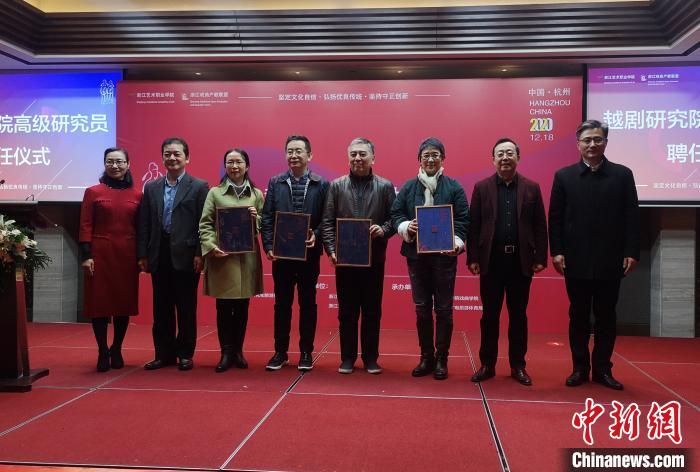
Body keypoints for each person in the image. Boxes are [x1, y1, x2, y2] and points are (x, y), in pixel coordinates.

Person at [549, 120, 640, 391]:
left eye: (597, 139)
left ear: (606, 143)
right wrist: (557, 251)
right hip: (575, 260)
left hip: (611, 259)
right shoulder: (564, 176)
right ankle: (579, 368)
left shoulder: (622, 175)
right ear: (578, 144)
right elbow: (555, 218)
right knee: (578, 316)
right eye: (587, 140)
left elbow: (632, 217)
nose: (592, 144)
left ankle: (602, 369)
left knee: (606, 316)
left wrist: (631, 251)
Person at [468, 138, 548, 386]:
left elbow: (539, 225)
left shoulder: (532, 187)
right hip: (491, 262)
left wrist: (540, 257)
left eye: (510, 153)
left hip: (520, 262)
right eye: (500, 153)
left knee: (518, 316)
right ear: (493, 159)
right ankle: (487, 364)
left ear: (518, 157)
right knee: (489, 316)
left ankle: (518, 366)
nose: (505, 157)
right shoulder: (481, 187)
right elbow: (474, 226)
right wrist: (473, 257)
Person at [391, 137, 469, 380]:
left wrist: (456, 242)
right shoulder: (408, 188)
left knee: (444, 309)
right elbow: (395, 214)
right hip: (416, 257)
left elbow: (463, 220)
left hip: (445, 258)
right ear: (419, 159)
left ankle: (442, 359)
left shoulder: (454, 188)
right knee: (422, 308)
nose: (431, 159)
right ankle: (426, 357)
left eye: (435, 155)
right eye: (426, 155)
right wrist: (406, 226)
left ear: (442, 158)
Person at [322, 137, 396, 374]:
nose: (357, 158)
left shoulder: (385, 186)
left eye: (362, 154)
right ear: (348, 158)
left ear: (373, 158)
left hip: (374, 259)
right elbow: (327, 222)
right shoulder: (336, 186)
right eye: (353, 154)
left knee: (372, 311)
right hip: (345, 260)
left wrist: (383, 230)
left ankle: (371, 358)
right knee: (347, 312)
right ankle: (347, 358)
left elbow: (395, 219)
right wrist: (331, 250)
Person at [137, 137, 209, 371]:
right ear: (162, 158)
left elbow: (204, 223)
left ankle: (185, 354)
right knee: (161, 308)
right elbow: (144, 222)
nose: (172, 158)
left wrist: (200, 252)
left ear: (187, 158)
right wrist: (143, 253)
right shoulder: (152, 187)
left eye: (177, 154)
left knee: (186, 307)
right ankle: (163, 354)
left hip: (187, 254)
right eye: (167, 154)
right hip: (159, 253)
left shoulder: (199, 186)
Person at [261, 135, 329, 371]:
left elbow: (326, 219)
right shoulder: (276, 182)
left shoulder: (321, 184)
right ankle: (280, 352)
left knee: (308, 304)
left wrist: (316, 235)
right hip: (282, 255)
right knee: (282, 304)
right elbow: (267, 217)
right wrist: (268, 246)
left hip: (309, 254)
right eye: (289, 151)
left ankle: (306, 352)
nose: (293, 155)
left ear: (309, 155)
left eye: (298, 151)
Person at [199, 148, 264, 372]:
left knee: (243, 306)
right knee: (224, 307)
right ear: (225, 166)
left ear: (247, 166)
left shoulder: (256, 194)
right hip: (222, 258)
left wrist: (256, 219)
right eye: (230, 162)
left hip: (246, 259)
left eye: (239, 162)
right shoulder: (214, 193)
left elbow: (264, 224)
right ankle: (225, 352)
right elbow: (205, 224)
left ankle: (238, 351)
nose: (234, 166)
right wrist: (211, 246)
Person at [79, 147, 142, 372]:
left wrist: (142, 256)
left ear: (128, 164)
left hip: (127, 256)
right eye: (110, 161)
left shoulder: (137, 195)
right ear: (104, 164)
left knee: (122, 305)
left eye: (119, 162)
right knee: (100, 305)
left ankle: (116, 348)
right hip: (100, 255)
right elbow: (85, 224)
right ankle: (102, 351)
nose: (115, 166)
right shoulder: (93, 192)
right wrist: (86, 255)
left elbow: (141, 229)